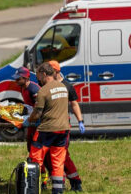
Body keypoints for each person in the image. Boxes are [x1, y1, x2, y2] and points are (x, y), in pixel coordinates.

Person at [27, 62, 70, 194]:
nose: (37, 78)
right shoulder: (63, 87)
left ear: (44, 74)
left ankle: (32, 188)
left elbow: (38, 113)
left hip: (47, 130)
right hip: (63, 129)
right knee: (57, 161)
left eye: (38, 75)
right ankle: (57, 190)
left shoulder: (43, 91)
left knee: (35, 158)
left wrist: (28, 119)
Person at [48, 60, 85, 192]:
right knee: (56, 155)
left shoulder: (67, 86)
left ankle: (69, 182)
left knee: (61, 155)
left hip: (62, 125)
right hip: (50, 125)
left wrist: (80, 120)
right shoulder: (47, 84)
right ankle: (70, 181)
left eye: (49, 70)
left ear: (56, 71)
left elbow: (74, 104)